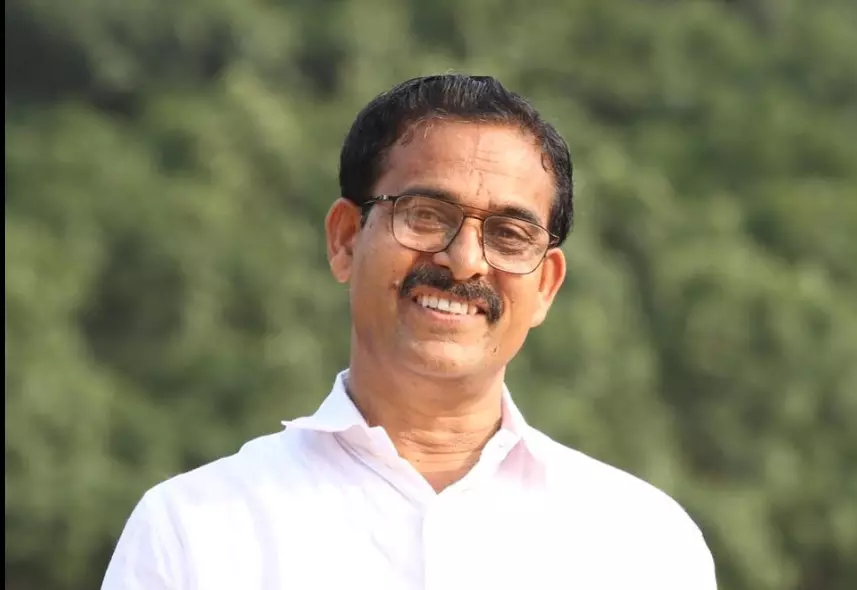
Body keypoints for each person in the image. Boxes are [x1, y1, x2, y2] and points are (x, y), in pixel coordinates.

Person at [102, 74, 717, 590]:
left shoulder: (642, 544)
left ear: (546, 286)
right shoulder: (195, 531)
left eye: (509, 235)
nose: (465, 261)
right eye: (426, 215)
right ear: (346, 239)